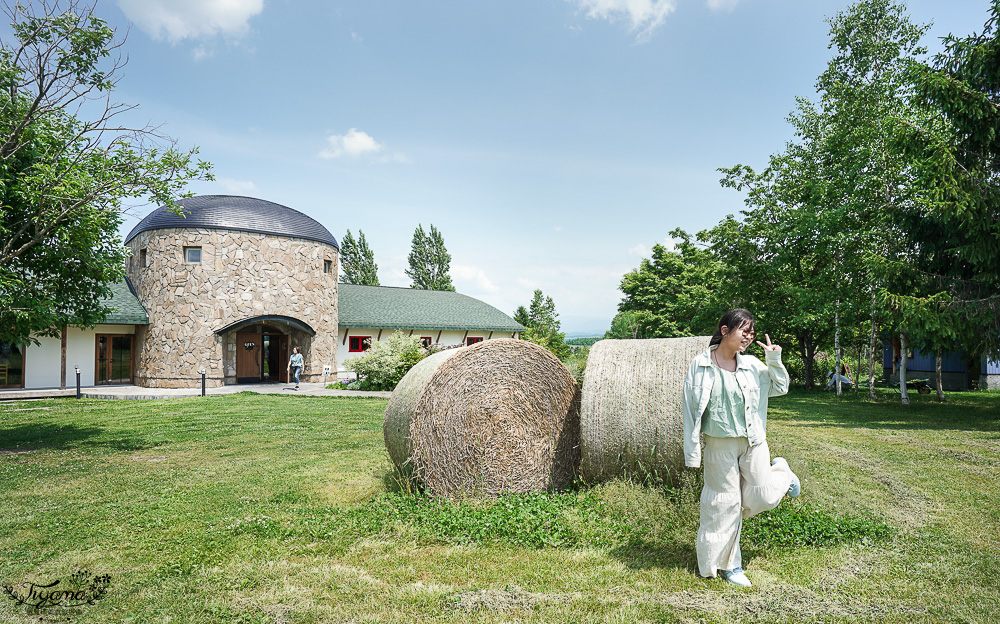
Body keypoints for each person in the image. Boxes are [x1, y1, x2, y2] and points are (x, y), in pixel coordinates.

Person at [681, 309, 799, 588]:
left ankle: (782, 473)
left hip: (754, 442)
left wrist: (773, 358)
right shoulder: (699, 366)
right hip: (719, 445)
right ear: (724, 331)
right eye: (743, 330)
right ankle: (728, 566)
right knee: (722, 503)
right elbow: (689, 411)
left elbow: (780, 387)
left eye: (751, 332)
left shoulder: (753, 365)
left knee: (765, 497)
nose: (749, 336)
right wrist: (692, 452)